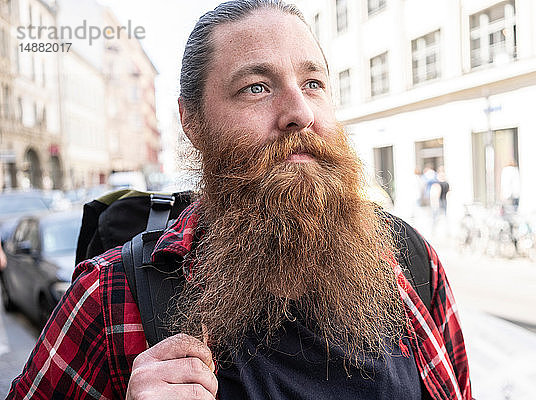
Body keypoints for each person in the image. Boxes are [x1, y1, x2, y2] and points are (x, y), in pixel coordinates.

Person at [8, 1, 471, 399]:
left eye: (313, 83)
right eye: (256, 87)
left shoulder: (410, 259)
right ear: (192, 123)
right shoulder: (110, 297)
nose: (300, 113)